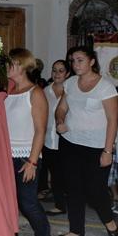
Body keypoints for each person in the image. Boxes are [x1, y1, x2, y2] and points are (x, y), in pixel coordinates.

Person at [55, 46, 118, 236]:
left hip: (96, 147)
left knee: (95, 190)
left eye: (80, 60)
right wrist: (60, 122)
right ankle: (76, 230)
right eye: (73, 60)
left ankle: (109, 221)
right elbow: (61, 108)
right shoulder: (71, 83)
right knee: (73, 188)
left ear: (92, 61)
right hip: (70, 143)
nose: (75, 64)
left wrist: (108, 151)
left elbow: (113, 120)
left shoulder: (105, 87)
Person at [5, 48, 51, 236]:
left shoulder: (36, 93)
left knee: (28, 203)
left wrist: (32, 162)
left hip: (25, 157)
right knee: (8, 202)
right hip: (6, 156)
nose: (6, 68)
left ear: (21, 66)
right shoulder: (8, 93)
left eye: (10, 64)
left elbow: (41, 130)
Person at [42, 59, 70, 216]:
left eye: (61, 71)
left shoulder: (72, 89)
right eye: (54, 70)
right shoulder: (46, 91)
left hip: (68, 138)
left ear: (67, 73)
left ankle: (74, 202)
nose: (57, 73)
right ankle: (60, 204)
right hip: (49, 139)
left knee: (69, 174)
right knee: (55, 174)